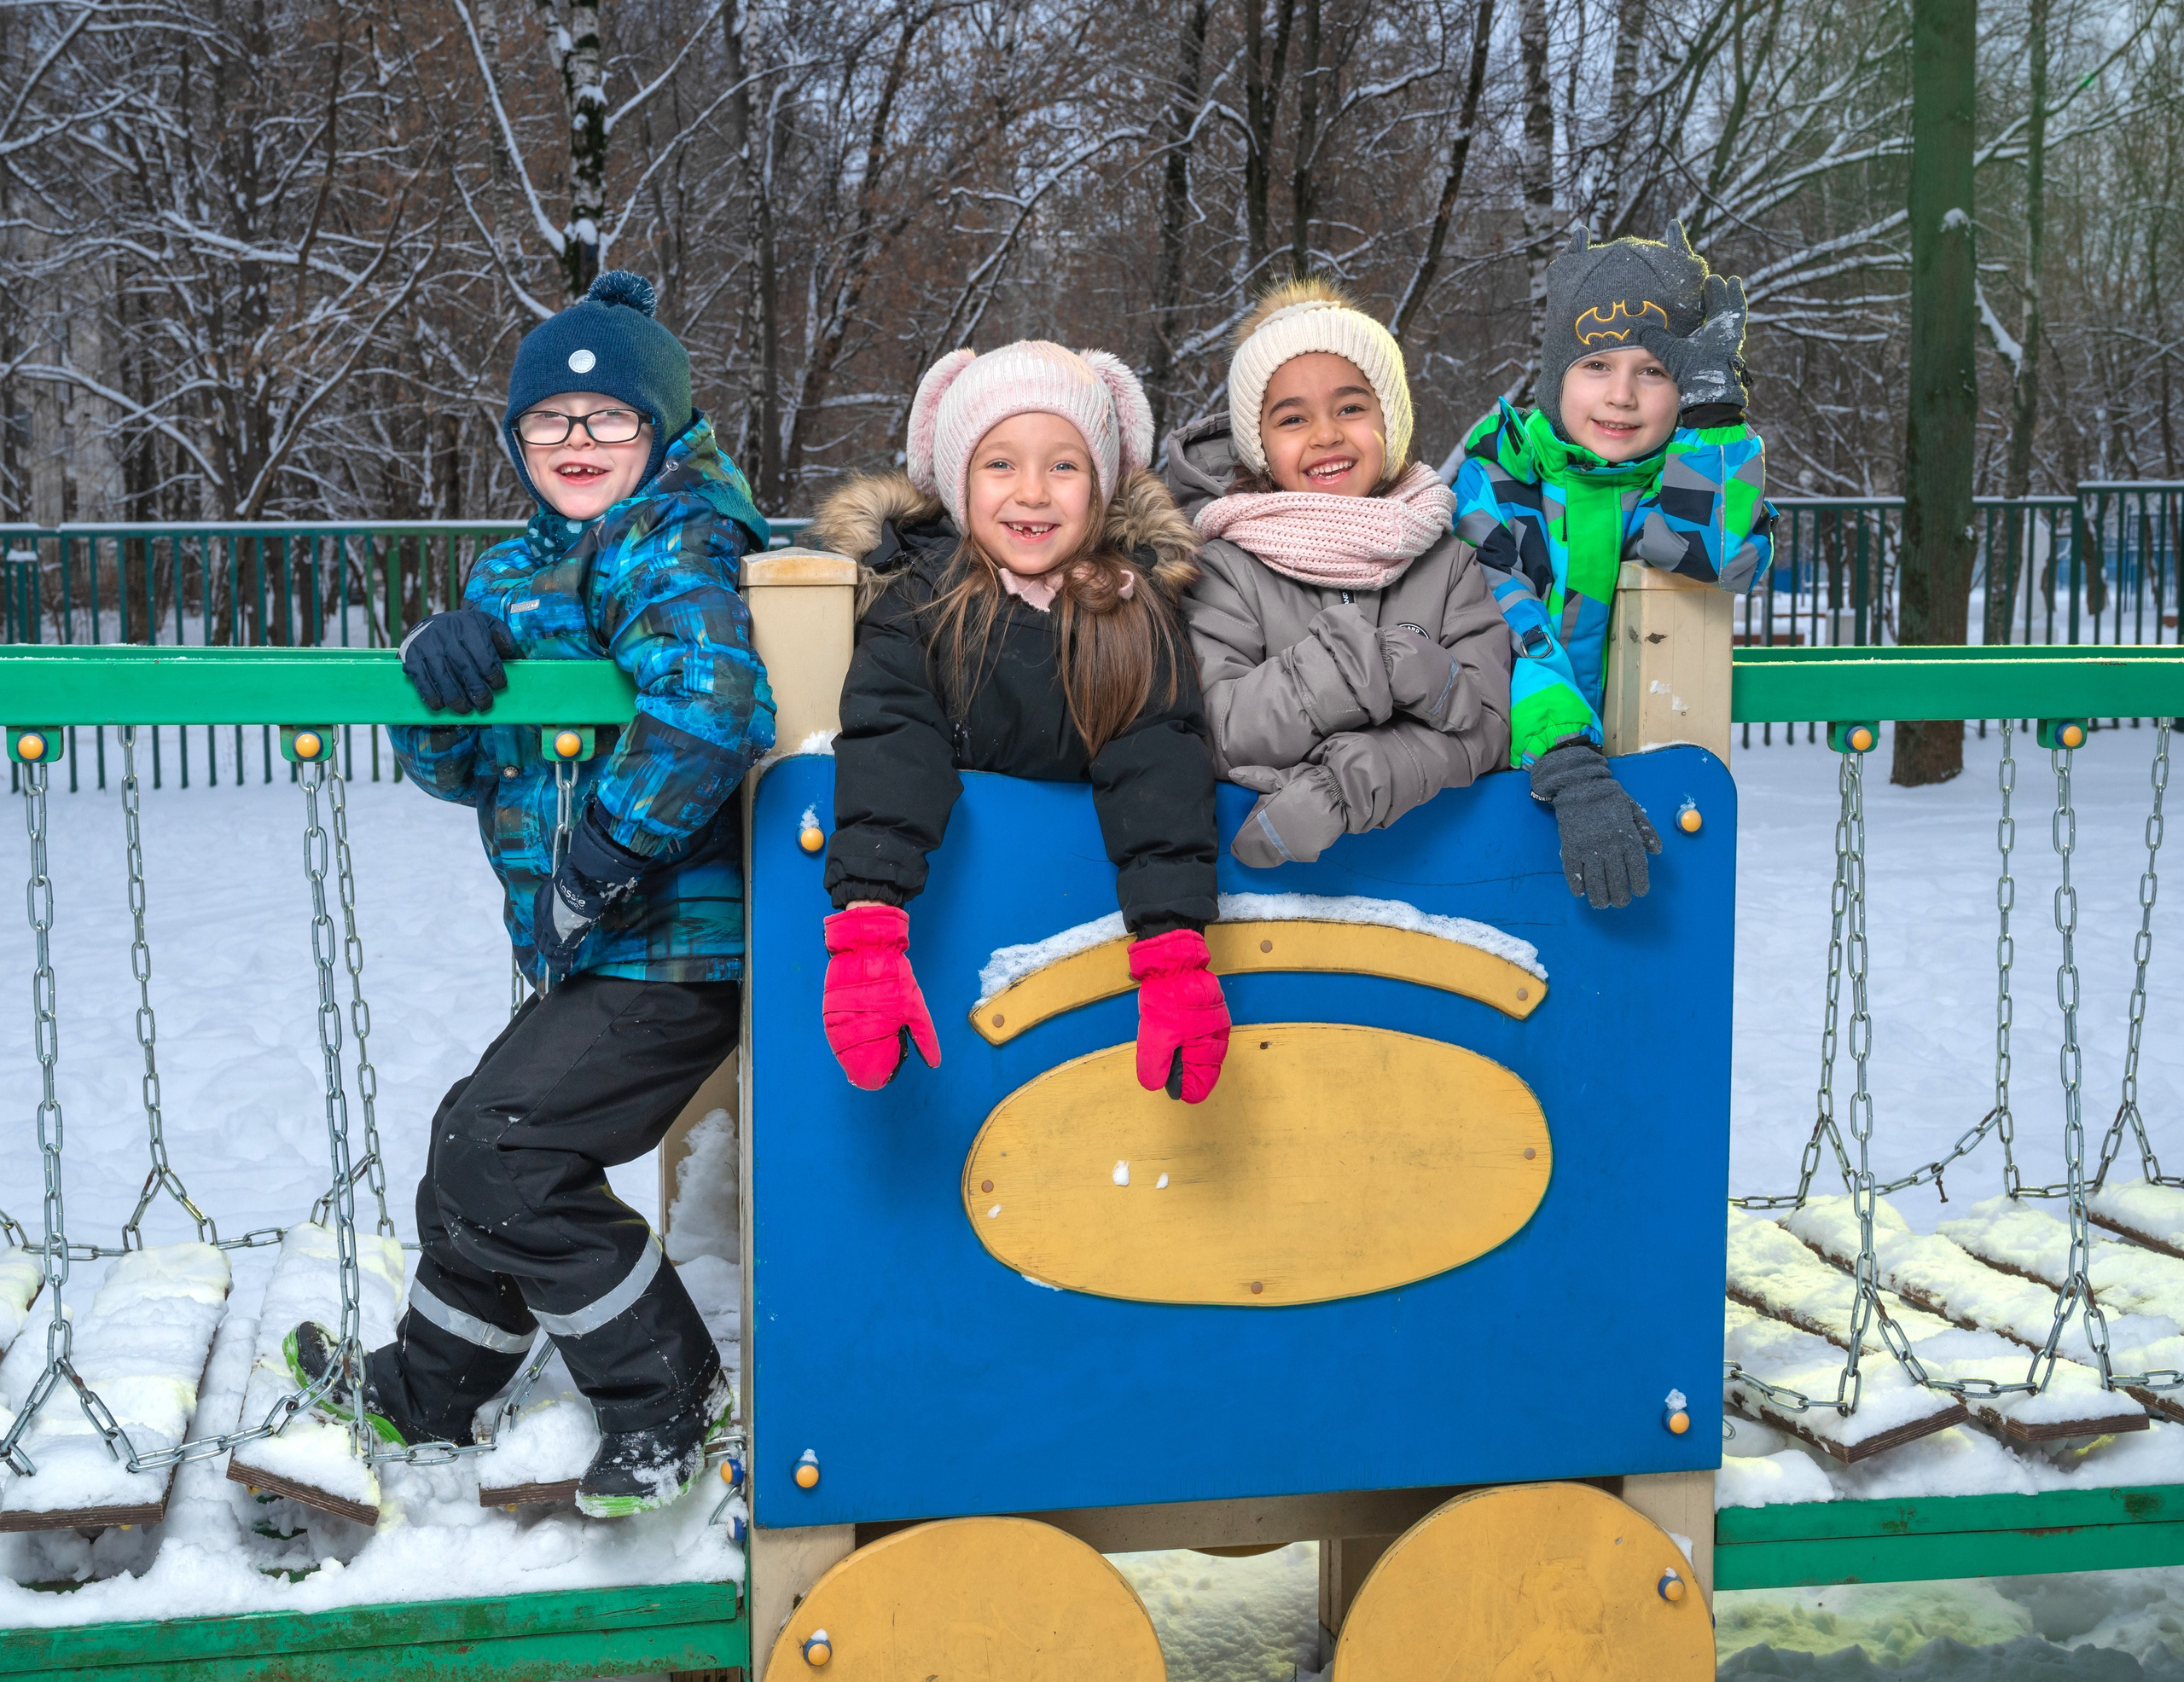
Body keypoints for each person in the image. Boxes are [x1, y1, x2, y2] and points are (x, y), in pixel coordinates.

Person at [283, 270, 775, 1517]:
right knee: (472, 1151)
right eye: (547, 423)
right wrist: (439, 679)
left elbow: (711, 708)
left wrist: (600, 859)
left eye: (608, 419)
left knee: (502, 1150)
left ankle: (667, 1389)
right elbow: (464, 769)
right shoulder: (514, 571)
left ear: (659, 432)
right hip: (599, 949)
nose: (576, 443)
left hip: (679, 946)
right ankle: (434, 1387)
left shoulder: (677, 542)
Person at [810, 340, 1231, 1105]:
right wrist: (869, 926)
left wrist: (1175, 954)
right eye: (999, 464)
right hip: (957, 953)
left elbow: (1160, 770)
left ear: (1102, 490)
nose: (1032, 492)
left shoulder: (1136, 615)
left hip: (1075, 952)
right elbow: (891, 744)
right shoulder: (922, 605)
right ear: (957, 480)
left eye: (1064, 466)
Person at [1453, 224, 1776, 908]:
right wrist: (1567, 758)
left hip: (1632, 789)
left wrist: (1715, 413)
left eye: (1654, 371)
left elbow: (1709, 553)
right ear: (1555, 375)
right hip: (1507, 773)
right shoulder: (1500, 474)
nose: (1621, 395)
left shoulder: (1678, 478)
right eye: (1596, 364)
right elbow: (1510, 620)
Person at [1164, 279, 1511, 868]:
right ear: (1261, 449)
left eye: (1350, 408)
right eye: (1293, 418)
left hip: (1435, 884)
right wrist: (1359, 669)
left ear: (1390, 421)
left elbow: (1487, 726)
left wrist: (1353, 782)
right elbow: (1216, 729)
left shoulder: (1447, 563)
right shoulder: (1226, 567)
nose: (1326, 434)